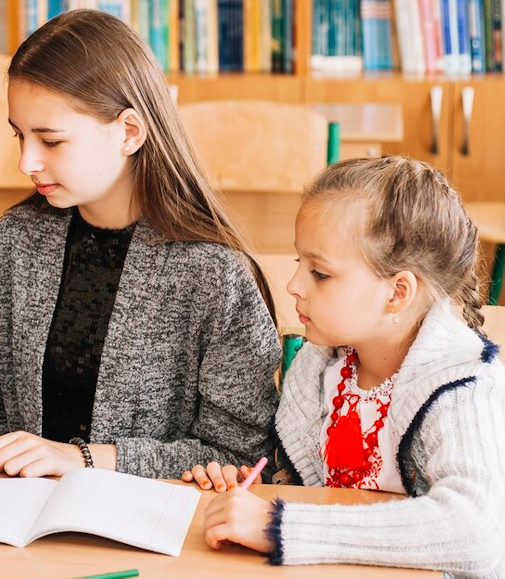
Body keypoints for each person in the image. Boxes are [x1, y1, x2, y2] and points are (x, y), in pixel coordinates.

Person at [0, 9, 281, 480]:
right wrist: (0, 463)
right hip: (24, 523)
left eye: (50, 141)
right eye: (20, 135)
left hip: (156, 533)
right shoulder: (13, 243)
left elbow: (240, 455)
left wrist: (84, 460)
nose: (26, 162)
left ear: (129, 132)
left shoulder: (213, 270)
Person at [186, 156, 505, 577]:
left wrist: (281, 525)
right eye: (299, 263)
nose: (293, 285)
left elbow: (477, 532)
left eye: (319, 273)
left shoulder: (463, 386)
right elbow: (321, 488)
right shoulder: (320, 371)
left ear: (397, 293)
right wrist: (257, 488)